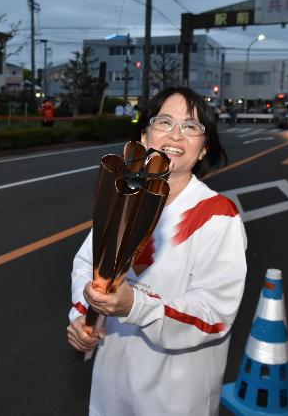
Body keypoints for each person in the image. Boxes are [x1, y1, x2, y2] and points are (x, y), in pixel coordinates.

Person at [67, 86, 247, 416]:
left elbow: (215, 314)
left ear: (204, 149)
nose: (176, 135)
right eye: (164, 122)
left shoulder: (217, 215)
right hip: (111, 384)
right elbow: (88, 264)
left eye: (191, 127)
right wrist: (82, 316)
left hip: (175, 395)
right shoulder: (125, 199)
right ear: (145, 135)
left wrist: (135, 305)